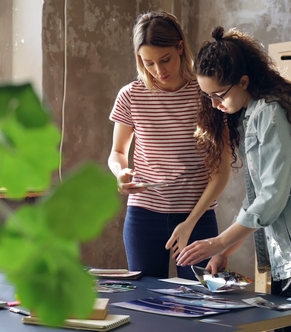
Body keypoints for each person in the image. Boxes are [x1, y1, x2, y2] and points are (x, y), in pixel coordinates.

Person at [176, 26, 291, 331]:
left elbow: (271, 198)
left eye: (219, 95)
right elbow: (261, 193)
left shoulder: (271, 113)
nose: (214, 105)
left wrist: (217, 242)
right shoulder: (260, 110)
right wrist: (225, 251)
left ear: (244, 81)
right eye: (207, 96)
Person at [107, 12, 231, 280]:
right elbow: (117, 152)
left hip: (197, 215)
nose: (159, 70)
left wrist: (190, 222)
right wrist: (120, 172)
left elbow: (221, 171)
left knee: (203, 305)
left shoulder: (206, 93)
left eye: (165, 60)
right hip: (143, 216)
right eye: (148, 62)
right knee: (145, 301)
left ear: (180, 47)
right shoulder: (130, 95)